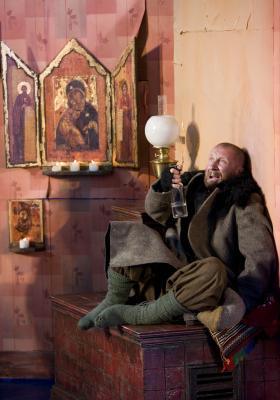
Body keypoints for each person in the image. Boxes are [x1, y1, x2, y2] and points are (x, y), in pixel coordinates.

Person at [78, 142, 279, 332]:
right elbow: (156, 212)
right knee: (131, 231)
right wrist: (162, 187)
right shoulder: (191, 183)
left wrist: (245, 299)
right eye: (212, 159)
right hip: (170, 271)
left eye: (223, 162)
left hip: (201, 282)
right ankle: (113, 299)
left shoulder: (244, 201)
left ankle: (141, 314)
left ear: (238, 172)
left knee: (214, 269)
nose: (214, 165)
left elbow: (260, 255)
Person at [56, 79, 99, 151]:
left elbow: (100, 136)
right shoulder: (67, 114)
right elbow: (59, 141)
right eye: (73, 100)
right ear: (69, 101)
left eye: (80, 99)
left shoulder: (91, 111)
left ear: (83, 97)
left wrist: (94, 126)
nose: (77, 103)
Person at [116, 80, 133, 162]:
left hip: (127, 119)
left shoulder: (129, 97)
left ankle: (128, 154)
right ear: (122, 90)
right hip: (122, 120)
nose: (124, 91)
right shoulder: (121, 98)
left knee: (127, 138)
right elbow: (119, 108)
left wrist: (127, 108)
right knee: (123, 139)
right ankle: (123, 155)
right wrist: (123, 109)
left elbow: (131, 107)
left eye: (126, 89)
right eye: (123, 89)